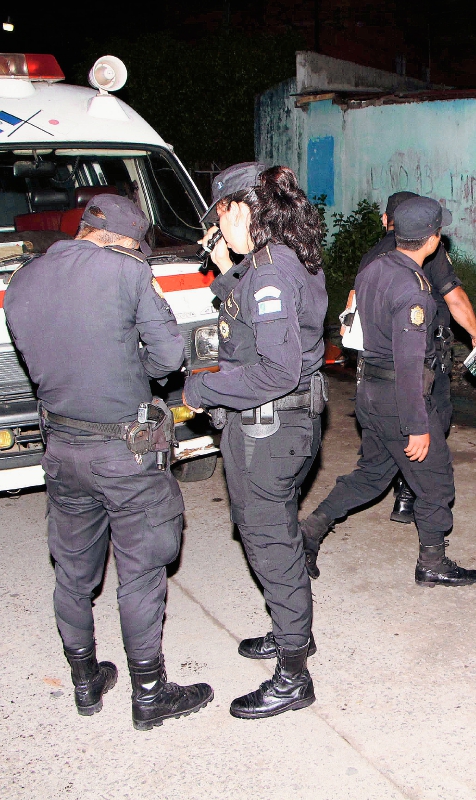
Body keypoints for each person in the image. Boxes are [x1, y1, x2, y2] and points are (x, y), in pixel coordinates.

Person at [4, 194, 213, 731]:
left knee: (73, 572)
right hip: (126, 451)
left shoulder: (22, 281)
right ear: (124, 242)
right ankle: (150, 694)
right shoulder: (128, 273)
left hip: (62, 449)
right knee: (141, 571)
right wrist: (130, 365)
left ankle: (85, 681)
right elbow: (169, 358)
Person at [180, 163, 328, 720]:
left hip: (270, 430)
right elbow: (256, 323)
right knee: (275, 534)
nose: (218, 231)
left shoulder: (269, 271)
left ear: (239, 210)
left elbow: (274, 370)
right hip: (287, 426)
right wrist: (226, 271)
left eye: (220, 218)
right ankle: (293, 632)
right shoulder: (289, 257)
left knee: (270, 542)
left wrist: (202, 388)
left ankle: (293, 674)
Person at [299, 196, 476, 588]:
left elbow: (351, 327)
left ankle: (309, 532)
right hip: (400, 399)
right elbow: (410, 364)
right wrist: (417, 425)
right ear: (432, 238)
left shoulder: (374, 268)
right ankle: (432, 563)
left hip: (370, 391)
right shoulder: (414, 290)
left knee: (373, 474)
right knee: (436, 482)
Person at [341, 190, 476, 526]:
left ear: (387, 220)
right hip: (421, 360)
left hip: (373, 371)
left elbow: (350, 314)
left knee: (380, 454)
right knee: (431, 432)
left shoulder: (373, 258)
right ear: (430, 233)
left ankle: (323, 521)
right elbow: (454, 298)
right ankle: (413, 500)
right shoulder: (423, 258)